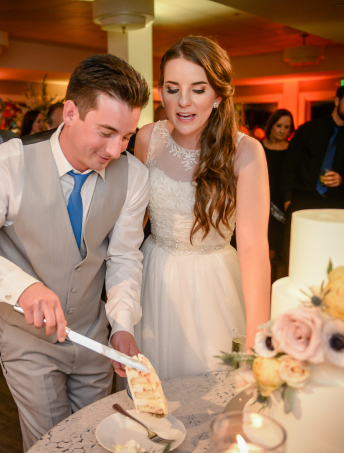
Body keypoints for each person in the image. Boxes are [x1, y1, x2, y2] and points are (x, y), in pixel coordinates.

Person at [0, 54, 150, 450]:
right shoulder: (6, 165)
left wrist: (122, 325)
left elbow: (124, 256)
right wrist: (21, 286)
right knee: (52, 443)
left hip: (93, 335)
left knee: (94, 439)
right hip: (26, 339)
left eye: (126, 136)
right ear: (70, 113)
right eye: (106, 132)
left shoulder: (134, 175)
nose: (115, 149)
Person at [133, 36, 271, 379]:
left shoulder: (245, 151)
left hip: (213, 283)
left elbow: (254, 249)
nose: (183, 102)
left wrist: (258, 342)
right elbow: (131, 227)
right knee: (153, 388)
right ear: (161, 91)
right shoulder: (147, 138)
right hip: (154, 278)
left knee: (213, 385)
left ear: (218, 95)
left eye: (198, 89)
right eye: (172, 89)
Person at [280, 83, 344, 260]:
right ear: (337, 101)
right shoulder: (308, 129)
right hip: (303, 200)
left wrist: (342, 179)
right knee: (297, 255)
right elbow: (289, 166)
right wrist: (288, 200)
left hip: (336, 204)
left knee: (330, 255)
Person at [262, 109, 295, 277]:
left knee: (283, 253)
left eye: (287, 127)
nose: (282, 130)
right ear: (271, 126)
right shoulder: (258, 147)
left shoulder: (293, 150)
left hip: (284, 203)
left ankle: (278, 289)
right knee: (265, 252)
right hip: (262, 204)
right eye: (279, 125)